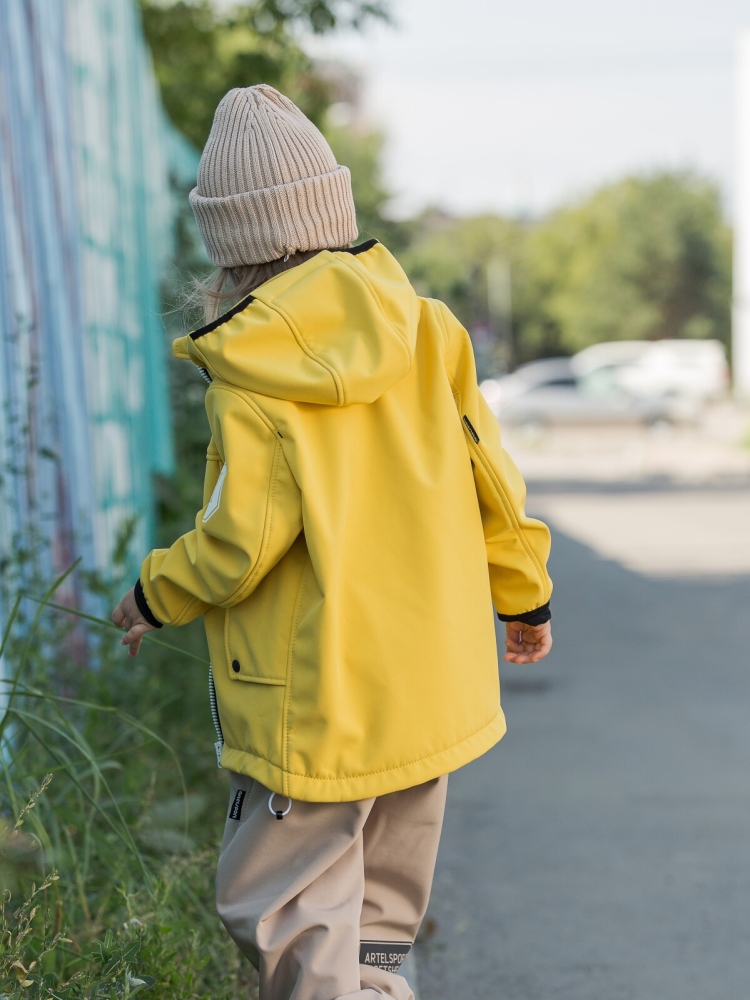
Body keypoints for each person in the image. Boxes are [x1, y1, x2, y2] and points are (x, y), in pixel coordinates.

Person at [112, 84, 553, 1000]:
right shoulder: (430, 332)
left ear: (229, 246)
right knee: (381, 915)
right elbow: (494, 482)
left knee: (280, 900)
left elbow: (241, 542)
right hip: (428, 691)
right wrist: (527, 594)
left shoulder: (252, 373)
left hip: (318, 706)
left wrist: (157, 591)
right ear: (333, 210)